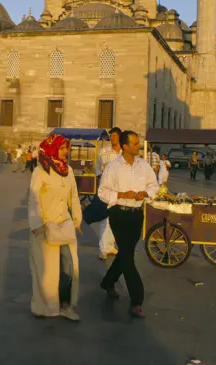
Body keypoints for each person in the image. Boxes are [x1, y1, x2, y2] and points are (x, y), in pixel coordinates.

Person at [98, 130, 159, 319]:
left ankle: (108, 282)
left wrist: (145, 194)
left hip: (136, 214)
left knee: (126, 254)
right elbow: (102, 192)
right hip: (119, 214)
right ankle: (137, 300)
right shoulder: (113, 167)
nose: (138, 146)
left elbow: (153, 185)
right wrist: (122, 195)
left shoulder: (144, 165)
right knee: (127, 256)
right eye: (134, 143)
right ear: (125, 146)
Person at [28, 134, 83, 321]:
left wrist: (77, 220)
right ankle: (45, 306)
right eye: (61, 148)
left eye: (66, 148)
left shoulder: (68, 171)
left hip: (64, 225)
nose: (65, 152)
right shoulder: (40, 171)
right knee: (47, 271)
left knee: (69, 267)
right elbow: (33, 198)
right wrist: (37, 224)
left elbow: (74, 196)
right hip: (45, 226)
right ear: (52, 149)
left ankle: (66, 305)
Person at [95, 127, 122, 261]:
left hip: (120, 191)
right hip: (106, 190)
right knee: (104, 220)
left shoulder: (124, 153)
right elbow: (97, 169)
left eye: (115, 136)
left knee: (115, 219)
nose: (112, 139)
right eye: (111, 136)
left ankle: (110, 245)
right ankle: (102, 249)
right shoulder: (104, 152)